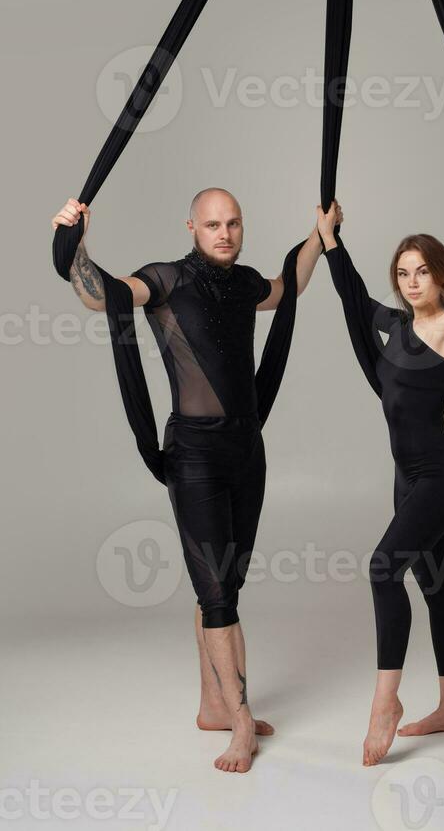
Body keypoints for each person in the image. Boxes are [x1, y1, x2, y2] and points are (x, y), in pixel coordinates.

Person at [51, 188, 337, 773]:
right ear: (192, 227)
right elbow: (99, 295)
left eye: (233, 223)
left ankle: (213, 704)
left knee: (226, 581)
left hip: (246, 450)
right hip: (196, 455)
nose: (224, 233)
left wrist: (319, 234)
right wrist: (74, 243)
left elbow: (291, 289)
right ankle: (239, 721)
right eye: (212, 224)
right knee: (217, 594)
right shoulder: (167, 280)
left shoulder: (246, 281)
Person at [317, 173, 444, 766]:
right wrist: (331, 237)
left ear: (440, 275)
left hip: (441, 477)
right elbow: (352, 295)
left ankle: (386, 701)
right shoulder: (392, 325)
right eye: (403, 273)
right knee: (438, 589)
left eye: (422, 272)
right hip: (406, 480)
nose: (412, 283)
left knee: (384, 570)